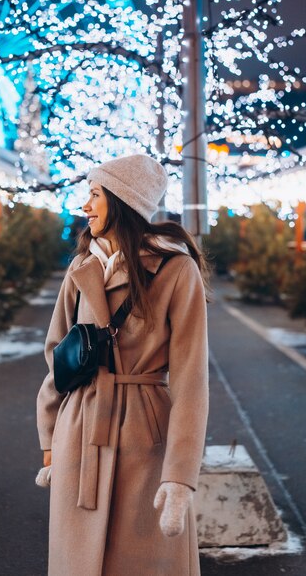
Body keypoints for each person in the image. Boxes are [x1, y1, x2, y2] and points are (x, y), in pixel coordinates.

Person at [36, 154, 209, 576]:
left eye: (95, 194)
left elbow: (190, 377)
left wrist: (180, 475)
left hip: (145, 435)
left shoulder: (175, 269)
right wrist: (49, 440)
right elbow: (57, 357)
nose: (85, 205)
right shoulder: (80, 268)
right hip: (79, 431)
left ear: (122, 200)